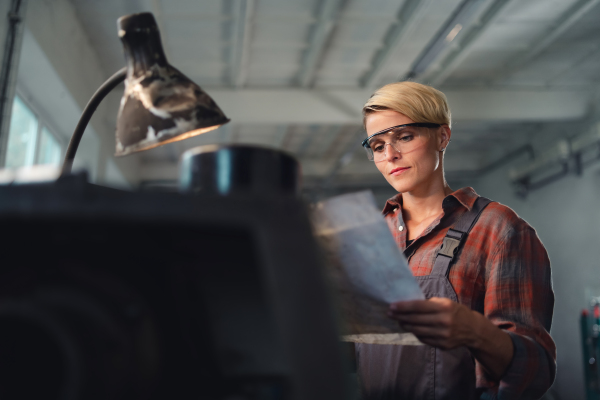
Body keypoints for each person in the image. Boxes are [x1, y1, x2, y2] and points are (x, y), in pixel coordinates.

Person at [355, 81, 556, 399]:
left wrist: (476, 332)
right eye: (378, 146)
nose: (391, 155)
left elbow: (536, 370)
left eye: (404, 137)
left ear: (442, 136)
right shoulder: (370, 237)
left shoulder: (498, 229)